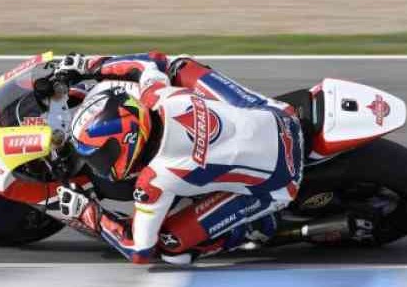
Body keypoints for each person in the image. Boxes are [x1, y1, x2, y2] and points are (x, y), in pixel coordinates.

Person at [56, 52, 303, 264]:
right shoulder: (158, 96)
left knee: (170, 246)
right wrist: (90, 66)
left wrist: (88, 213)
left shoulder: (152, 180)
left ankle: (254, 228)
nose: (97, 164)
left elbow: (140, 251)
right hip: (282, 116)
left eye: (99, 156)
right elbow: (151, 62)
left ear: (125, 143)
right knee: (178, 66)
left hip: (281, 184)